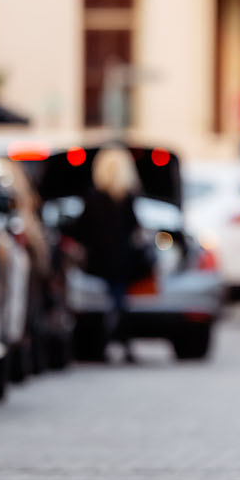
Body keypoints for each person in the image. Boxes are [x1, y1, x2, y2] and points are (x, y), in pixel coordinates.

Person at [74, 144, 145, 364]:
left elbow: (81, 230)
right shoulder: (126, 197)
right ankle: (123, 344)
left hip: (98, 260)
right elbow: (134, 228)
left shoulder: (92, 197)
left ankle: (101, 345)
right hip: (121, 260)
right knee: (119, 303)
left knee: (101, 305)